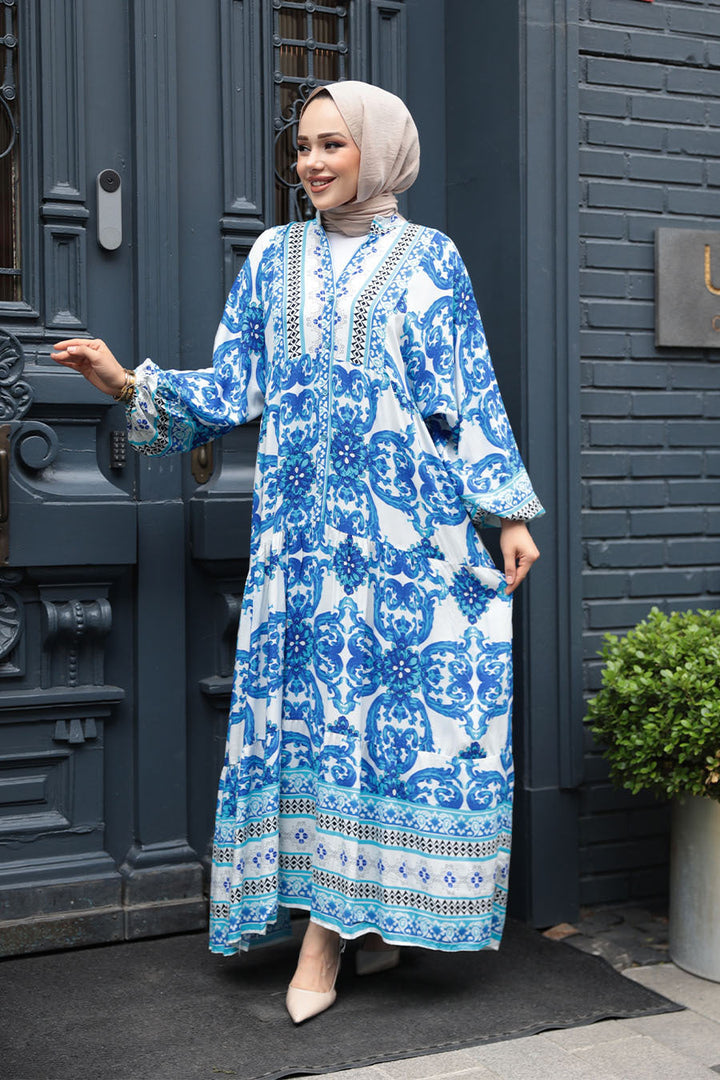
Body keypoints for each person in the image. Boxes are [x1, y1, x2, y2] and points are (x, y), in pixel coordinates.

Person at [51, 81, 542, 1024]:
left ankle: (346, 930)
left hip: (408, 532)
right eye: (303, 148)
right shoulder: (274, 258)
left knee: (396, 718)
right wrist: (124, 383)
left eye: (333, 146)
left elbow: (466, 394)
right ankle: (339, 925)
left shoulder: (431, 259)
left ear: (380, 153)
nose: (312, 164)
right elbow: (235, 382)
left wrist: (506, 513)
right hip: (305, 542)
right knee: (319, 722)